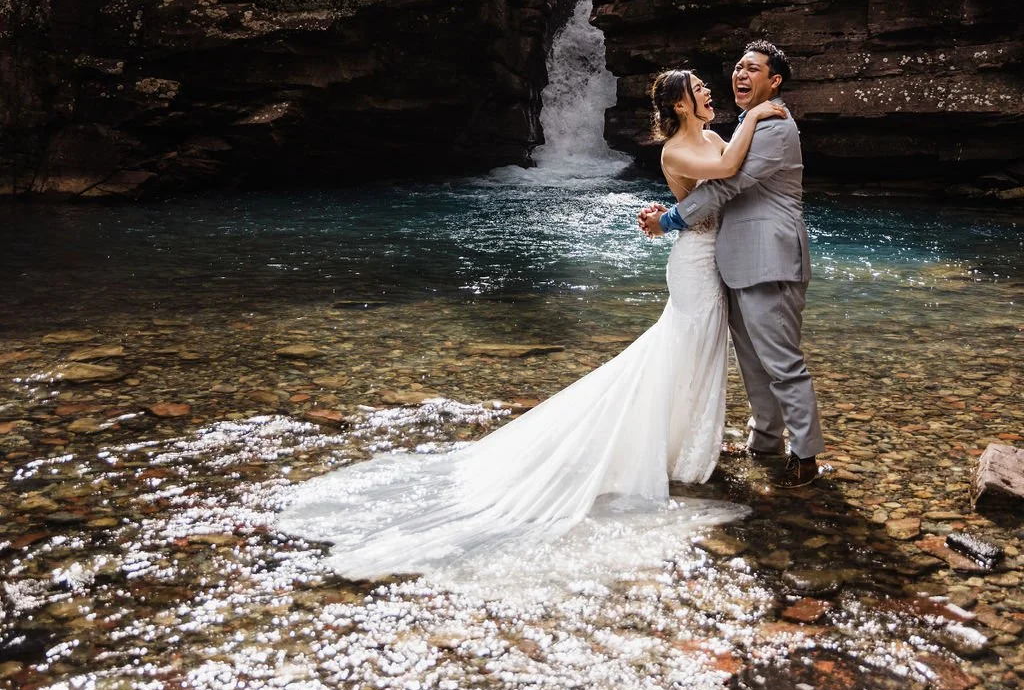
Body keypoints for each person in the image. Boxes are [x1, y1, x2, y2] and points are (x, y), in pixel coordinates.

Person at [276, 70, 783, 578]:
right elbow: (724, 166)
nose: (709, 91)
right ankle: (670, 453)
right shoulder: (676, 150)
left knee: (698, 350)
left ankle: (683, 447)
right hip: (693, 263)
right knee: (684, 347)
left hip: (713, 258)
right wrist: (757, 114)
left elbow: (726, 176)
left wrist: (670, 212)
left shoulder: (715, 133)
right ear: (679, 106)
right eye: (699, 88)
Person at [639, 40, 824, 491]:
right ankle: (764, 442)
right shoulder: (745, 124)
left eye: (753, 69)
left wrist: (668, 220)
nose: (740, 75)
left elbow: (726, 186)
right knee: (753, 364)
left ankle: (805, 457)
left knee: (782, 362)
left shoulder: (775, 124)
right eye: (738, 68)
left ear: (774, 81)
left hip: (770, 257)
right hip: (735, 261)